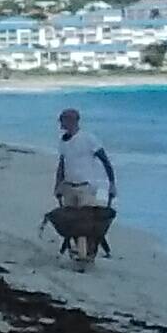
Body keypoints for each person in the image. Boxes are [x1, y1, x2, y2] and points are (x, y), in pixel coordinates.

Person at [52, 106, 118, 267]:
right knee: (71, 224)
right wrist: (58, 184)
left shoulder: (89, 139)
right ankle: (78, 251)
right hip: (68, 186)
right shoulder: (63, 141)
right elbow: (62, 164)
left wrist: (112, 184)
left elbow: (105, 161)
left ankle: (89, 253)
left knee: (87, 224)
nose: (61, 123)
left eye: (63, 120)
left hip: (86, 187)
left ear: (72, 120)